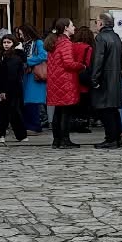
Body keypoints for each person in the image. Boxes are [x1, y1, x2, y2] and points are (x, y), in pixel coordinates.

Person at [89, 12, 122, 149]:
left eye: (96, 21)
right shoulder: (116, 37)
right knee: (113, 110)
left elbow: (98, 60)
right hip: (115, 78)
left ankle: (111, 139)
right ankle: (117, 138)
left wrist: (94, 79)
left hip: (105, 79)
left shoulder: (101, 38)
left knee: (105, 111)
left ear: (101, 23)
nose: (95, 24)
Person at [45, 19, 81, 149]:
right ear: (66, 28)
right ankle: (65, 140)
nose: (74, 27)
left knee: (58, 111)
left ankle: (56, 140)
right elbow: (68, 63)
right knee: (65, 112)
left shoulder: (53, 41)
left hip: (55, 81)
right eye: (72, 25)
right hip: (65, 81)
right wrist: (81, 65)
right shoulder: (66, 43)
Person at [0, 33, 28, 143]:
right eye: (4, 42)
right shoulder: (6, 56)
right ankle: (4, 134)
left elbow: (9, 76)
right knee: (7, 112)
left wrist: (3, 90)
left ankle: (19, 135)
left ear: (13, 43)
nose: (6, 44)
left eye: (8, 42)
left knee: (12, 112)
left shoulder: (12, 57)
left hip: (12, 89)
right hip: (12, 88)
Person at [21, 23, 48, 133]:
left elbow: (43, 55)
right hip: (27, 75)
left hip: (35, 75)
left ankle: (34, 126)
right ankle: (29, 125)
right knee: (27, 101)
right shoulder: (25, 43)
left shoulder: (38, 42)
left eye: (21, 34)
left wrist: (27, 61)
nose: (20, 36)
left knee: (33, 101)